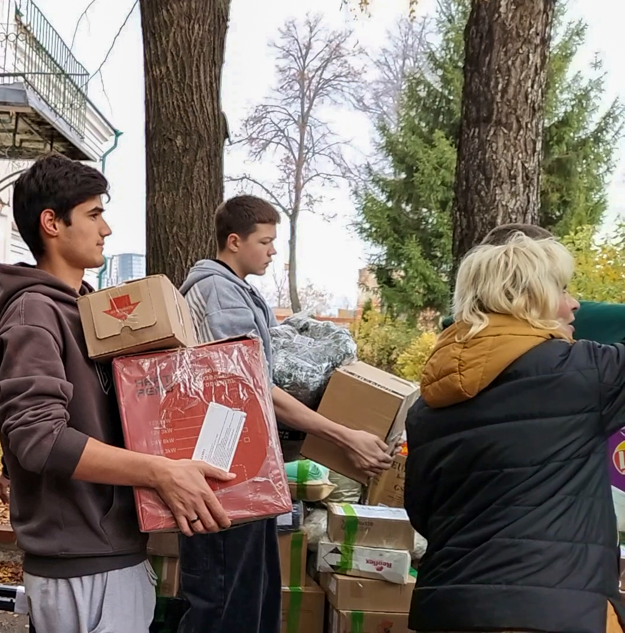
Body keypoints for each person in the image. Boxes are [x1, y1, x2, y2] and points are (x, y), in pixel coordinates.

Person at [0, 153, 236, 633]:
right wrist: (159, 472)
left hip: (110, 550)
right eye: (93, 214)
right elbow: (38, 437)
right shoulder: (34, 314)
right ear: (52, 223)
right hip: (81, 564)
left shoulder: (89, 313)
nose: (106, 229)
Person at [175, 195, 396, 633]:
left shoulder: (234, 289)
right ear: (234, 241)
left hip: (240, 467)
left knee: (250, 599)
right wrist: (343, 435)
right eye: (265, 241)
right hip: (225, 470)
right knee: (227, 605)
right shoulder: (219, 293)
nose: (273, 251)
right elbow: (251, 388)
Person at [405, 232, 625, 633]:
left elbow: (422, 512)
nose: (575, 303)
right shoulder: (584, 374)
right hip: (554, 611)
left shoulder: (427, 405)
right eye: (562, 289)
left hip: (449, 609)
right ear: (530, 298)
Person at [439, 223, 625, 344]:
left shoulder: (451, 348)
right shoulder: (565, 364)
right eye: (558, 289)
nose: (574, 304)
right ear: (519, 297)